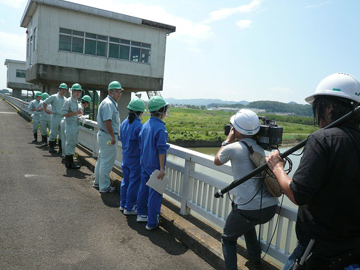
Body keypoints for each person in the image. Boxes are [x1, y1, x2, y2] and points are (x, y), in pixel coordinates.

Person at [266, 73, 360, 269]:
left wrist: (277, 168)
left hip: (319, 253)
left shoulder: (322, 139)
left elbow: (298, 193)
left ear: (328, 108)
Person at [214, 109, 278, 269]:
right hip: (270, 208)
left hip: (249, 210)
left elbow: (217, 160)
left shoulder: (233, 148)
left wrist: (227, 140)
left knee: (228, 238)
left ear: (235, 130)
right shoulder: (259, 148)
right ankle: (255, 259)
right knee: (246, 225)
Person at [137, 96, 170, 230]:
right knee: (155, 193)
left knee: (143, 189)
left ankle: (141, 214)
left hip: (144, 163)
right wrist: (162, 168)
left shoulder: (145, 125)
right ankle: (151, 222)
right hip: (155, 166)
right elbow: (161, 150)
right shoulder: (160, 129)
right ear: (161, 111)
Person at [93, 81, 123, 193]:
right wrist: (112, 136)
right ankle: (104, 187)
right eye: (117, 92)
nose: (119, 94)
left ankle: (97, 182)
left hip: (104, 135)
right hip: (108, 136)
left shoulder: (109, 103)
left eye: (120, 92)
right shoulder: (109, 104)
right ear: (111, 92)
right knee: (106, 162)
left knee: (101, 160)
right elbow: (107, 121)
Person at [119, 98, 145, 215]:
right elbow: (142, 145)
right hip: (135, 158)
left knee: (126, 181)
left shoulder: (124, 123)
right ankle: (129, 208)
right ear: (139, 112)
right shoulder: (139, 126)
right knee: (134, 183)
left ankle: (123, 203)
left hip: (126, 156)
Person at [61, 83, 84, 169]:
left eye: (79, 91)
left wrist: (80, 115)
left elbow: (76, 114)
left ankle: (70, 162)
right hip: (70, 125)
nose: (78, 93)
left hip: (75, 125)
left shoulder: (76, 101)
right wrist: (76, 113)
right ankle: (69, 163)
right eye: (76, 91)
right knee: (70, 143)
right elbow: (63, 113)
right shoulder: (68, 101)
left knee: (73, 143)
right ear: (73, 91)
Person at [43, 83, 68, 153]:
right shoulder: (54, 97)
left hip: (63, 117)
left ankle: (61, 149)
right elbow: (45, 102)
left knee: (61, 134)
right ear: (59, 90)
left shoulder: (65, 99)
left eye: (65, 90)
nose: (64, 91)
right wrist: (45, 110)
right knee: (53, 132)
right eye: (63, 90)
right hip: (55, 116)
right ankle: (51, 148)